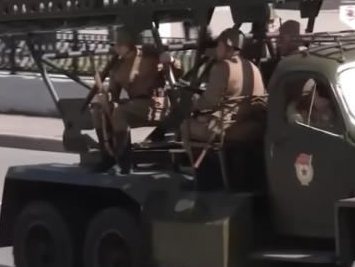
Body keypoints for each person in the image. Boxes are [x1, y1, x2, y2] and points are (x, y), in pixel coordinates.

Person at [91, 27, 182, 174]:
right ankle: (108, 157)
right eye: (116, 45)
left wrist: (172, 61)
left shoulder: (149, 55)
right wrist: (105, 98)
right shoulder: (117, 66)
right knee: (97, 110)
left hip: (157, 103)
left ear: (128, 45)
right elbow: (114, 94)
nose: (116, 48)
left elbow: (177, 73)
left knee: (120, 113)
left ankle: (124, 162)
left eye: (119, 45)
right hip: (136, 105)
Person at [183, 28, 267, 148]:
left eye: (219, 45)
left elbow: (209, 102)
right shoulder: (253, 67)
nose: (216, 49)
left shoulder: (221, 67)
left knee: (184, 125)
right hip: (253, 126)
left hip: (229, 129)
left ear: (227, 45)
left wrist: (193, 103)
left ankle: (193, 160)